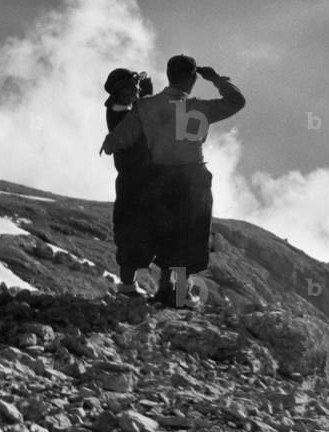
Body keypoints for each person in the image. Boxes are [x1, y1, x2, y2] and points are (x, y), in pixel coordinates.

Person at [100, 55, 245, 308]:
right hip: (193, 178)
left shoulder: (146, 106)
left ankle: (162, 292)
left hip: (161, 178)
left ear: (167, 75)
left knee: (166, 237)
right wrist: (217, 80)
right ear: (192, 78)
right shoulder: (197, 108)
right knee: (188, 238)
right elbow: (236, 102)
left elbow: (121, 136)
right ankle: (178, 296)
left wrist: (110, 144)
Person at [102, 68, 155, 297]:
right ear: (122, 90)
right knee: (135, 232)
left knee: (131, 232)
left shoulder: (118, 110)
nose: (137, 89)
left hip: (132, 180)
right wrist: (146, 96)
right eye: (133, 85)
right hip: (136, 180)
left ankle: (129, 285)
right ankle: (171, 291)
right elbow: (143, 115)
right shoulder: (122, 114)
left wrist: (143, 94)